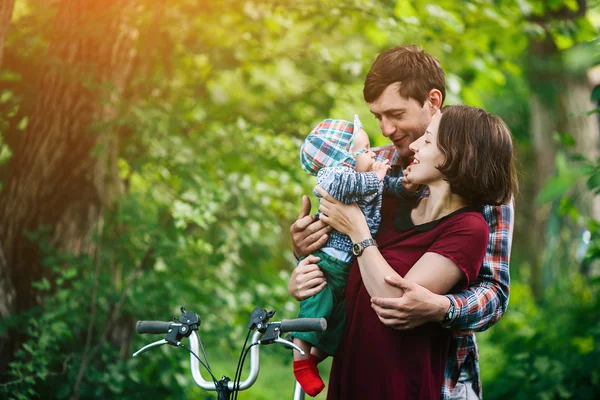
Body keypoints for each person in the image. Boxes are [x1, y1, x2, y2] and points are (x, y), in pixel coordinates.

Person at [288, 45, 515, 399]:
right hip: (356, 363)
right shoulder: (372, 167)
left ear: (433, 101)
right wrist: (306, 253)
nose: (386, 129)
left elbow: (494, 293)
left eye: (395, 113)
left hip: (432, 372)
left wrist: (439, 306)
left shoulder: (480, 192)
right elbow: (343, 255)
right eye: (376, 116)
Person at [292, 114, 413, 397]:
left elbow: (385, 188)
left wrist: (404, 186)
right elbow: (355, 186)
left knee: (340, 321)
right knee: (315, 310)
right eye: (365, 148)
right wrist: (375, 176)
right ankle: (299, 362)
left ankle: (315, 358)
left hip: (349, 267)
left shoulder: (364, 175)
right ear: (343, 160)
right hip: (328, 262)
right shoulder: (335, 177)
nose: (372, 153)